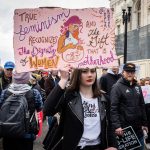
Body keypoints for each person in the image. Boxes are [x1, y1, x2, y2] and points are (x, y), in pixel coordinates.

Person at [43, 66, 117, 150]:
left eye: (92, 71)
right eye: (84, 71)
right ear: (77, 74)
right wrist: (63, 80)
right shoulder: (68, 97)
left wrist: (112, 146)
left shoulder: (104, 98)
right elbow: (47, 110)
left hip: (98, 146)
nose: (90, 75)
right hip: (75, 146)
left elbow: (109, 125)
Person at [0, 71, 43, 150]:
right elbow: (40, 107)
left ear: (13, 78)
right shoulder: (34, 93)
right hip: (26, 133)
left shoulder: (5, 92)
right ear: (27, 78)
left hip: (8, 131)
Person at [110, 63, 148, 150]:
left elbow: (142, 105)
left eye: (132, 72)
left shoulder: (137, 86)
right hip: (125, 130)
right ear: (123, 72)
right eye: (128, 72)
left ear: (134, 73)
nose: (130, 74)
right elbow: (113, 109)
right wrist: (117, 126)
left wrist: (144, 123)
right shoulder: (117, 87)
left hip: (138, 129)